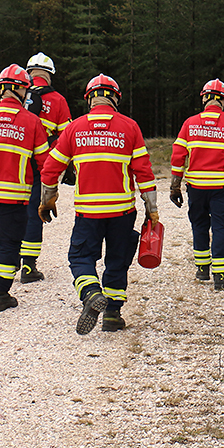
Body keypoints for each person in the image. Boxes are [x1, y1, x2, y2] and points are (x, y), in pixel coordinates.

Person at [39, 74, 157, 334]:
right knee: (117, 259)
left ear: (89, 99)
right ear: (115, 97)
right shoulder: (130, 127)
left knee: (80, 257)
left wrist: (47, 199)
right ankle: (113, 314)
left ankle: (91, 293)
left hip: (88, 212)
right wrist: (152, 208)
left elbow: (51, 167)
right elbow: (144, 172)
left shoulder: (74, 128)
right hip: (122, 211)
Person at [0, 64, 50, 311]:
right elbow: (43, 162)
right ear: (19, 90)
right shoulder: (31, 121)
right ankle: (2, 295)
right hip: (14, 197)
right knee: (9, 244)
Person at [169, 78, 224, 290]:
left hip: (195, 187)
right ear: (223, 101)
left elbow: (178, 156)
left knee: (199, 224)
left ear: (205, 98)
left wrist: (175, 186)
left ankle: (202, 269)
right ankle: (221, 275)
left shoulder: (190, 123)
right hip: (221, 188)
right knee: (222, 228)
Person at [19, 52, 72, 283]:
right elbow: (67, 136)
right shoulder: (58, 100)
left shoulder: (16, 93)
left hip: (13, 161)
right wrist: (65, 166)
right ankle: (28, 267)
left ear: (29, 73)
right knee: (34, 212)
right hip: (43, 164)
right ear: (49, 75)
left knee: (6, 211)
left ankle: (0, 266)